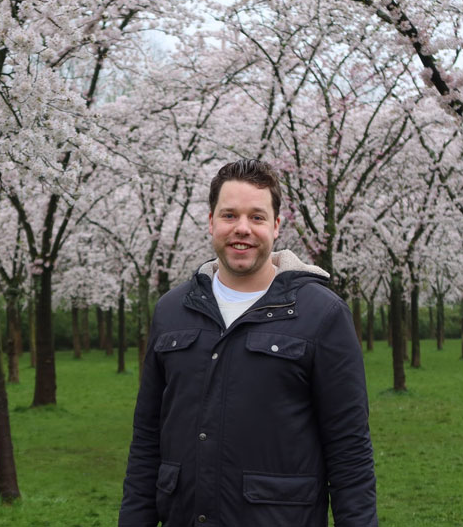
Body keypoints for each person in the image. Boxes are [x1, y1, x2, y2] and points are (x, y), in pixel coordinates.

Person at [118, 159, 377, 526]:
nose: (242, 229)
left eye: (256, 217)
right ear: (211, 222)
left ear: (275, 226)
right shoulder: (171, 311)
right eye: (229, 215)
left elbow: (349, 449)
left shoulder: (322, 315)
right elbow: (147, 438)